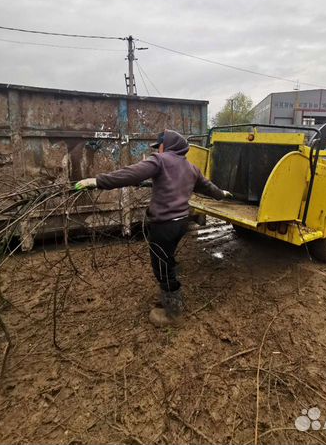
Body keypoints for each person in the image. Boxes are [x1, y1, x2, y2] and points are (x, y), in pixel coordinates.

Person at [75, 129, 231, 327]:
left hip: (164, 225)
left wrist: (97, 181)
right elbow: (208, 188)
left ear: (167, 145)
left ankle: (173, 313)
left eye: (160, 146)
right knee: (167, 258)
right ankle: (169, 298)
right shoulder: (191, 168)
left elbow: (130, 174)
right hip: (181, 223)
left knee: (162, 266)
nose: (159, 149)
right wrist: (222, 194)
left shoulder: (160, 161)